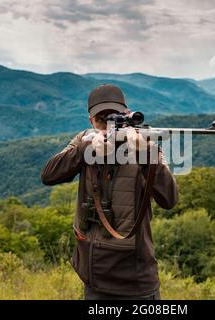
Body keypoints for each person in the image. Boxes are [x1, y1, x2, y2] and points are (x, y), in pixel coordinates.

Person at [41, 84, 178, 300]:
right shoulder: (84, 141)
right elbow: (48, 175)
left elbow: (169, 199)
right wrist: (87, 150)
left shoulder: (144, 146)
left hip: (135, 279)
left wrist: (146, 156)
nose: (108, 126)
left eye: (114, 118)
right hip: (94, 276)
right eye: (100, 120)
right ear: (91, 121)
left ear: (127, 114)